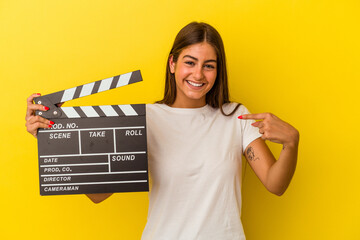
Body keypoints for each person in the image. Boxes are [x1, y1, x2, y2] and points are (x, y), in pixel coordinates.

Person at [26, 22, 299, 240]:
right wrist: (54, 138)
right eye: (190, 62)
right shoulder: (147, 119)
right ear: (172, 64)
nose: (198, 75)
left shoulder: (236, 116)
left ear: (218, 71)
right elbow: (98, 195)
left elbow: (275, 184)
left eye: (209, 66)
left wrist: (291, 143)